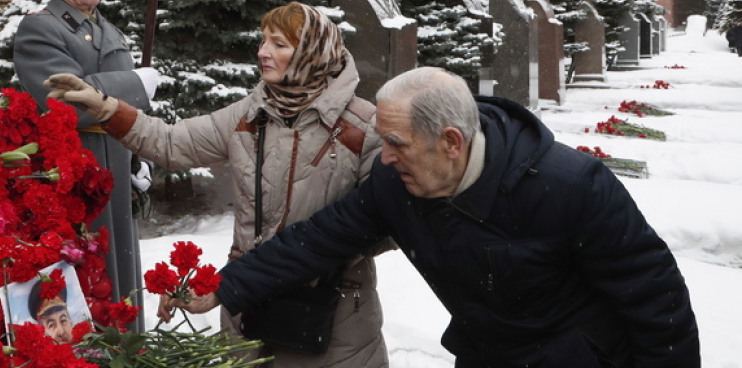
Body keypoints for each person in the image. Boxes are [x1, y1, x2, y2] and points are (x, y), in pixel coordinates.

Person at [165, 67, 700, 367]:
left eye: (395, 143)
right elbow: (321, 238)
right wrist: (227, 286)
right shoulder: (395, 185)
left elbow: (658, 303)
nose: (385, 156)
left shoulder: (571, 187)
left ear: (450, 142)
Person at [45, 2, 389, 368]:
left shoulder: (364, 127)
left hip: (335, 320)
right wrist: (107, 109)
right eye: (262, 41)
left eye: (279, 44)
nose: (263, 52)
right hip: (250, 312)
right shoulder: (249, 115)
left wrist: (306, 258)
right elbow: (172, 142)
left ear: (312, 54)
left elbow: (382, 227)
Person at [13, 0, 158, 331]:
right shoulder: (41, 27)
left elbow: (119, 110)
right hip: (79, 172)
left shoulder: (104, 26)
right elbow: (63, 94)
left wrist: (138, 158)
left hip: (115, 166)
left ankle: (127, 351)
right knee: (90, 275)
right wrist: (135, 85)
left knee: (122, 277)